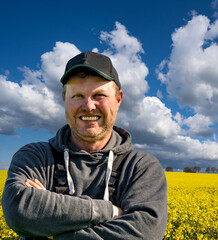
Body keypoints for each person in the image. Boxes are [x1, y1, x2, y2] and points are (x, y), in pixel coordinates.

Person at [2, 51, 168, 239]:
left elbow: (146, 233)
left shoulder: (142, 167)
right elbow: (18, 211)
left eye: (99, 95)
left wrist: (51, 226)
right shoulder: (35, 157)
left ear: (119, 99)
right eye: (77, 95)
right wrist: (110, 212)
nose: (88, 106)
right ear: (64, 99)